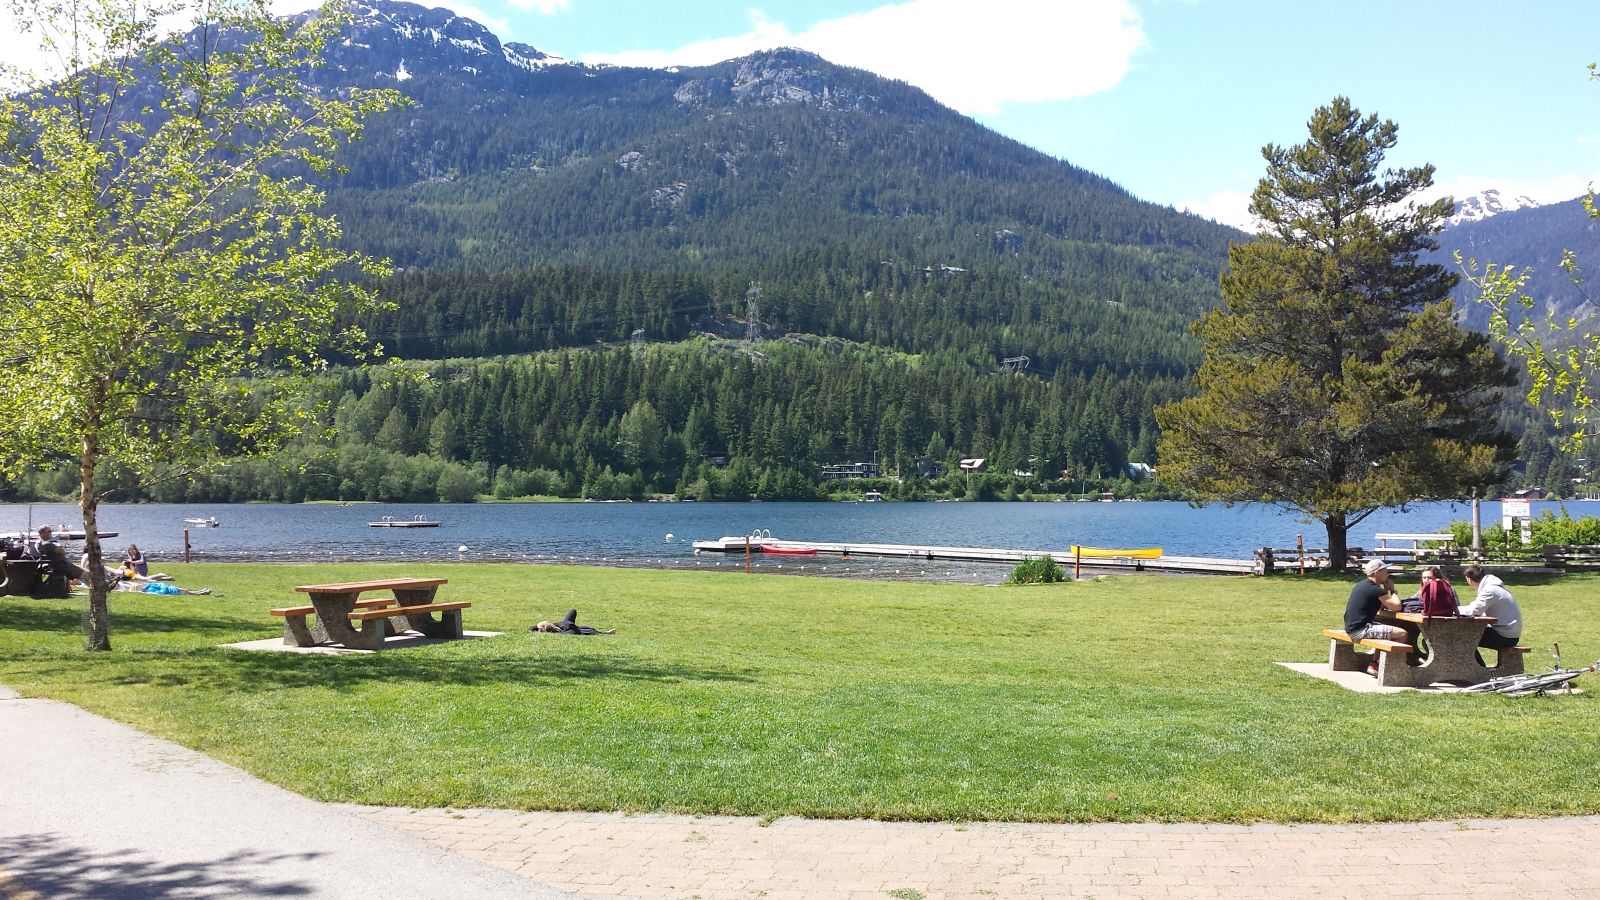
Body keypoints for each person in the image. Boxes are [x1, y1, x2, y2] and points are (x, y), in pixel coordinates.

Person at [1344, 559, 1407, 675]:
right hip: (1360, 630)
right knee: (1402, 634)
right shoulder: (1375, 589)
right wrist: (1393, 590)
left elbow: (1381, 607)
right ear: (1377, 573)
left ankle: (1375, 664)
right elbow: (1397, 607)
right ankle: (1387, 668)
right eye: (1385, 570)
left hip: (1352, 628)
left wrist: (1386, 589)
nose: (1388, 573)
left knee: (1386, 631)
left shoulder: (1362, 585)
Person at [1459, 563, 1522, 655]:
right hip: (1510, 634)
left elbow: (1475, 610)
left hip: (1505, 637)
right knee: (1466, 635)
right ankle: (1477, 666)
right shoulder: (1495, 588)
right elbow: (1477, 607)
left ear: (1469, 579)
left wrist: (1453, 609)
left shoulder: (1489, 590)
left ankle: (1476, 667)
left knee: (1461, 636)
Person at [530, 609, 614, 634]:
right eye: (542, 626)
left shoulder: (555, 625)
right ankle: (606, 633)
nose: (542, 626)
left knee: (572, 611)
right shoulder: (560, 633)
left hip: (566, 623)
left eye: (543, 624)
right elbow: (572, 632)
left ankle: (606, 633)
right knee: (590, 630)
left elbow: (530, 628)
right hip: (571, 628)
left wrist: (537, 626)